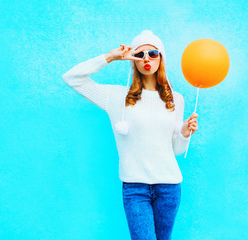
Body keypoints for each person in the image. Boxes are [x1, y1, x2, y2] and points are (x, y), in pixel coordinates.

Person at [62, 30, 198, 240]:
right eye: (139, 54)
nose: (146, 59)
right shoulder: (117, 97)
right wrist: (110, 57)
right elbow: (72, 79)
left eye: (153, 53)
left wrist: (184, 133)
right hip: (135, 189)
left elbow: (177, 151)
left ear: (161, 58)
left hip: (169, 188)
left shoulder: (175, 99)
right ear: (132, 59)